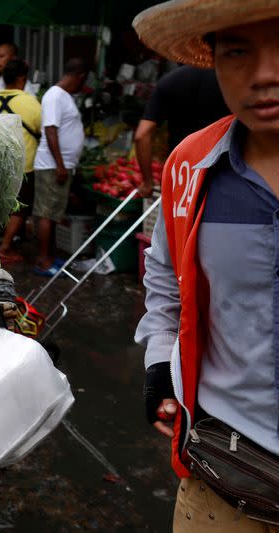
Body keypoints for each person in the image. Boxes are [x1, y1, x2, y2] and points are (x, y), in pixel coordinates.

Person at [133, 2, 279, 530]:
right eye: (238, 50)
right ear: (212, 59)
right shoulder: (191, 166)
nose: (265, 75)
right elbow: (166, 280)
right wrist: (159, 363)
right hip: (223, 477)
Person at [133, 65, 230, 197]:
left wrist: (148, 182)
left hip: (179, 178)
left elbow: (142, 135)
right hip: (222, 178)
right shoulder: (231, 81)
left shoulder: (168, 81)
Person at [0, 60, 42, 264]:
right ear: (21, 79)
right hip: (23, 166)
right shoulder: (31, 102)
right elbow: (41, 128)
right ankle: (5, 247)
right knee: (20, 209)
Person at [32, 58, 88, 276]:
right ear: (80, 77)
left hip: (57, 165)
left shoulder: (62, 96)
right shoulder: (55, 95)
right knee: (46, 213)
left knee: (52, 213)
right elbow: (50, 130)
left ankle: (50, 257)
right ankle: (44, 261)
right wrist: (60, 165)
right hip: (51, 165)